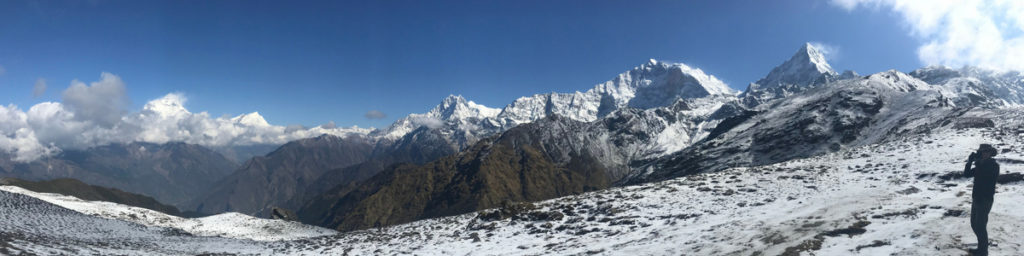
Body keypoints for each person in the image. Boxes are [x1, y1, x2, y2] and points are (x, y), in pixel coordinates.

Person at [964, 144, 1000, 256]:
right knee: (974, 224)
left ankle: (983, 251)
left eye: (986, 151)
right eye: (982, 151)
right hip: (976, 198)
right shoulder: (980, 165)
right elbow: (966, 174)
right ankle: (982, 246)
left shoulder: (994, 165)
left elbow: (987, 176)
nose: (984, 153)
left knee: (980, 226)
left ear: (990, 153)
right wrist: (969, 162)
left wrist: (978, 162)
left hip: (985, 199)